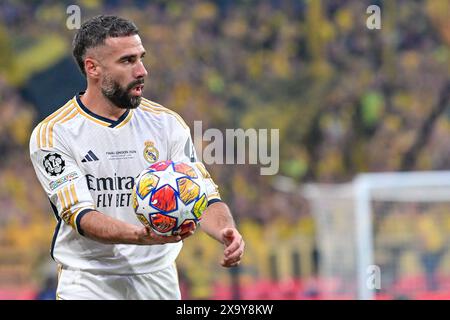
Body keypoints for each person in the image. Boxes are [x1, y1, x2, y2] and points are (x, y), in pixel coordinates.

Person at [29, 15, 245, 300]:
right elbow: (80, 216)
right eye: (127, 61)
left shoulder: (166, 124)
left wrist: (225, 229)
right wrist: (139, 236)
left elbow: (203, 196)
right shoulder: (55, 133)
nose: (142, 70)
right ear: (92, 68)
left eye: (141, 58)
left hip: (160, 281)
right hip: (91, 282)